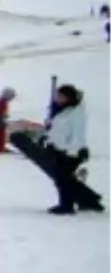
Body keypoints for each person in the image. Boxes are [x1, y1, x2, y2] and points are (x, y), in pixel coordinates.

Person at [40, 84, 100, 214]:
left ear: (69, 97)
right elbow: (56, 130)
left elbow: (77, 135)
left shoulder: (77, 112)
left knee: (64, 180)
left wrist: (71, 153)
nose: (58, 98)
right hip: (59, 150)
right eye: (57, 96)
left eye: (61, 96)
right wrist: (46, 138)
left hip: (72, 152)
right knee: (64, 179)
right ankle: (88, 200)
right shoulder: (61, 111)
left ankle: (67, 205)